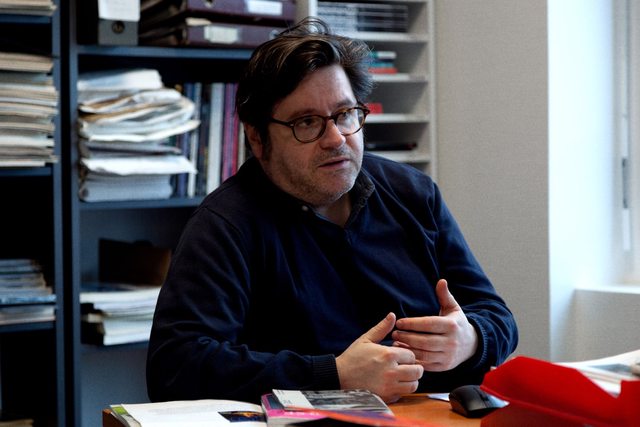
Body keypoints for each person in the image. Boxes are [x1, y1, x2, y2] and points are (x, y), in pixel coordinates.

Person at [146, 17, 518, 405]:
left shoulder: (413, 193)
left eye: (344, 114)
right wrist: (334, 375)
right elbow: (176, 367)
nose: (335, 137)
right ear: (257, 138)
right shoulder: (224, 226)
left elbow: (496, 314)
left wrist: (470, 338)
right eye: (307, 122)